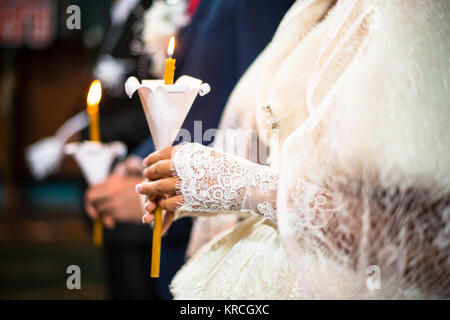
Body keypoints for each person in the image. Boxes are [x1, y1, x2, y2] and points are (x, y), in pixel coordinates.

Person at [137, 0, 450, 299]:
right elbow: (278, 145)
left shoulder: (417, 16)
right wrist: (207, 186)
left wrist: (248, 188)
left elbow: (430, 245)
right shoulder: (310, 9)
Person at [85, 0, 295, 299]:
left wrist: (169, 184)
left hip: (216, 219)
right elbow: (184, 108)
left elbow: (261, 114)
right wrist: (141, 160)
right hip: (172, 210)